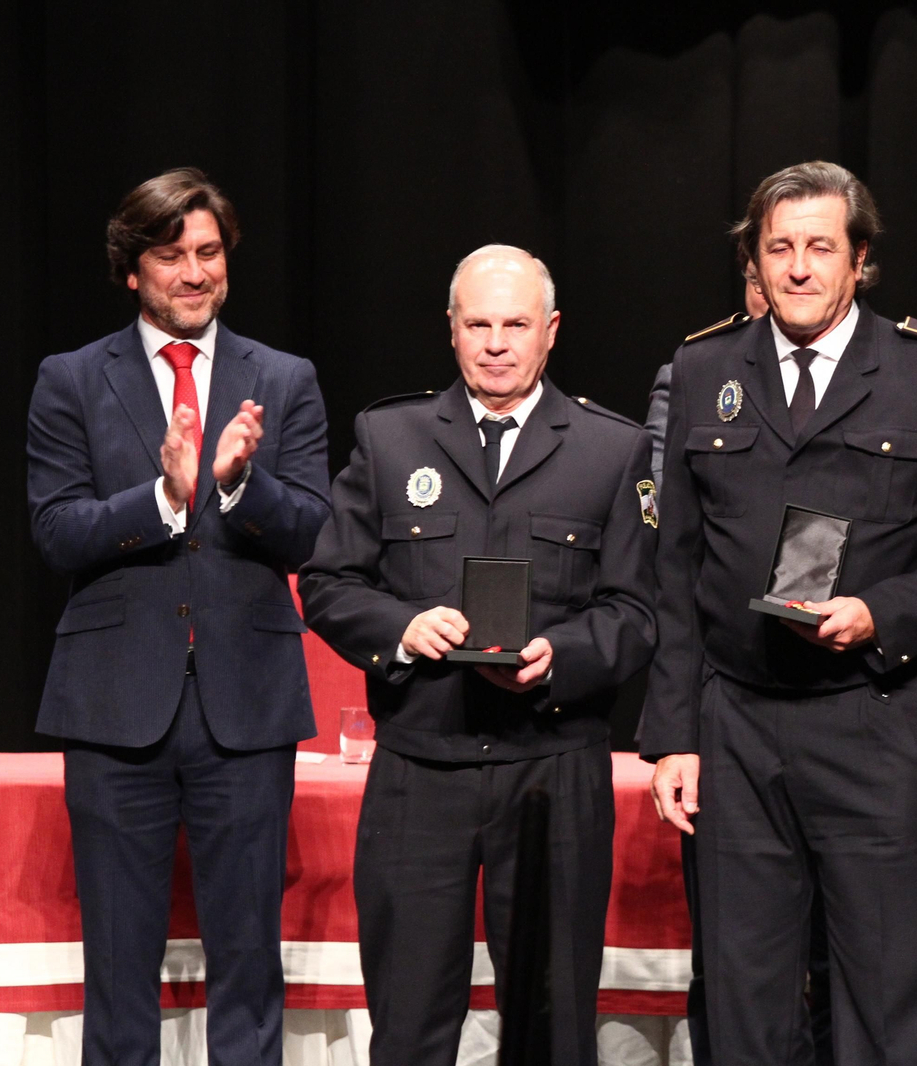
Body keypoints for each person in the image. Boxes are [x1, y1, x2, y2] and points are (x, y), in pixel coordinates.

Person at [639, 160, 917, 1065]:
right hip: (734, 724)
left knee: (885, 997)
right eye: (780, 248)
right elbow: (677, 564)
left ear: (860, 262)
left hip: (875, 718)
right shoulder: (703, 368)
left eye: (821, 247)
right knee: (742, 996)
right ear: (756, 260)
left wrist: (883, 611)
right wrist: (675, 737)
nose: (800, 268)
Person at [298, 245, 656, 1066]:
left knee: (554, 1025)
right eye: (479, 324)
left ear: (551, 331)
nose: (497, 343)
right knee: (410, 1019)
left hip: (553, 767)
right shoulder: (390, 437)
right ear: (453, 331)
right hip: (421, 768)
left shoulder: (612, 449)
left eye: (516, 324)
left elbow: (638, 612)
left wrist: (557, 654)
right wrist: (402, 626)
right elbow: (328, 582)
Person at [26, 167, 331, 1066]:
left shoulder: (285, 378)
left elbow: (311, 530)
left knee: (250, 964)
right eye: (173, 256)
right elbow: (55, 530)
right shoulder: (71, 380)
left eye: (210, 253)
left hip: (247, 707)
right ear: (133, 269)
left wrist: (239, 484)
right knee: (118, 971)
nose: (196, 273)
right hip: (116, 709)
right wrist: (162, 497)